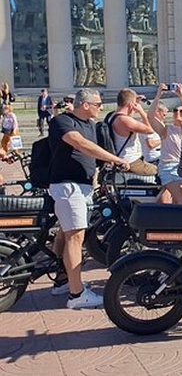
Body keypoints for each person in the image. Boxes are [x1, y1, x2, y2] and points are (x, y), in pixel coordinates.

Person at [48, 89, 130, 309]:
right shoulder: (62, 121)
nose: (101, 108)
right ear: (85, 104)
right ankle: (77, 295)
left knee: (67, 235)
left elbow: (92, 152)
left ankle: (63, 281)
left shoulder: (91, 126)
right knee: (76, 238)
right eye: (98, 104)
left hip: (82, 186)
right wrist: (116, 159)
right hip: (68, 186)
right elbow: (79, 144)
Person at [148, 83, 182, 204]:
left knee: (172, 201)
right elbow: (150, 117)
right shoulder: (166, 130)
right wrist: (158, 94)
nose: (178, 113)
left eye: (181, 111)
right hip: (169, 168)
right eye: (175, 111)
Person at [109, 89, 157, 175]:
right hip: (131, 161)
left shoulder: (112, 116)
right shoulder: (124, 120)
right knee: (161, 173)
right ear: (131, 105)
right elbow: (150, 130)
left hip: (126, 159)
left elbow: (127, 114)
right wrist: (141, 111)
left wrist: (134, 103)